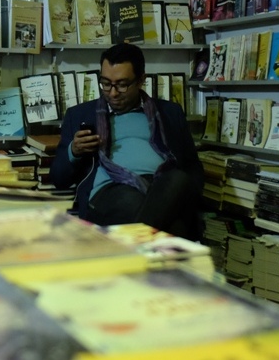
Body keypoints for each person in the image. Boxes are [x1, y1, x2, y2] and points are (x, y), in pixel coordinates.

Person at [53, 43, 203, 239]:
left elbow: (193, 168)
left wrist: (186, 196)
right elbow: (58, 178)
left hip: (162, 187)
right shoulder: (80, 115)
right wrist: (74, 151)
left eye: (122, 85)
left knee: (178, 179)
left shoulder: (169, 113)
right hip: (110, 190)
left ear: (141, 80)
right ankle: (151, 248)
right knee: (172, 225)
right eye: (106, 83)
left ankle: (136, 253)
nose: (113, 93)